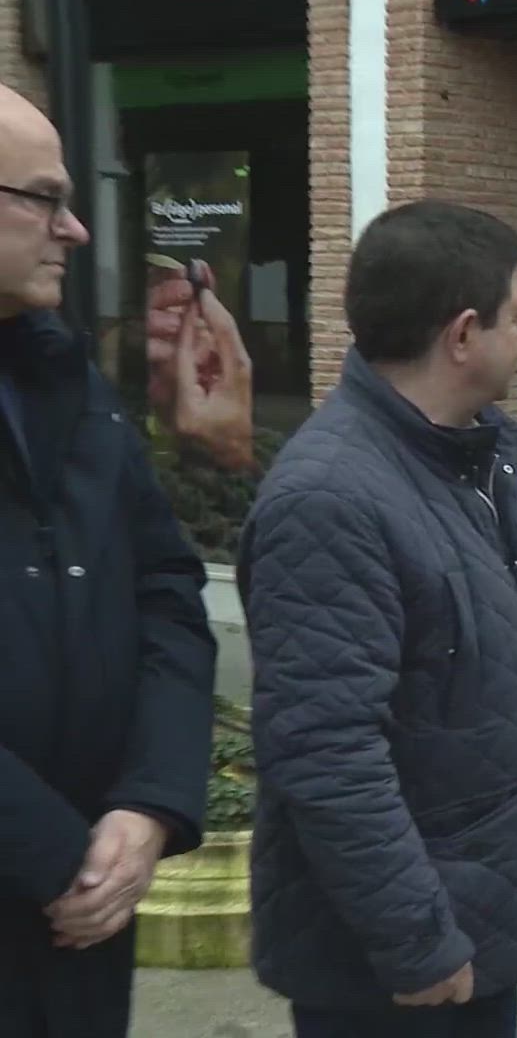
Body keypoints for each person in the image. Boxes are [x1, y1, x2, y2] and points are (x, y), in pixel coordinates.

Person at [242, 200, 517, 1038]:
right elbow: (326, 751)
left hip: (476, 918)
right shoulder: (330, 498)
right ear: (463, 334)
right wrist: (418, 940)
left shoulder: (477, 455)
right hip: (399, 970)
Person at [0, 81, 217, 1038]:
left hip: (86, 914)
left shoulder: (67, 381)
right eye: (45, 198)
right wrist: (57, 857)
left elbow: (167, 590)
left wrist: (149, 806)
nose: (76, 229)